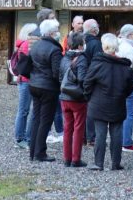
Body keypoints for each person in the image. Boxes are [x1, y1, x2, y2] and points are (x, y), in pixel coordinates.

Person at [83, 33, 133, 171]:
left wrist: (89, 98)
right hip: (117, 103)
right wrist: (121, 95)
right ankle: (115, 163)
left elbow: (87, 83)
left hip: (98, 104)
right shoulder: (125, 67)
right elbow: (130, 87)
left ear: (103, 46)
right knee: (116, 133)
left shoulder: (97, 64)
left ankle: (99, 163)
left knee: (100, 134)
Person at [28, 18, 63, 162]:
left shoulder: (35, 45)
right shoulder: (54, 49)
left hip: (34, 84)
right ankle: (40, 152)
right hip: (48, 87)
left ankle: (33, 150)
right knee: (45, 120)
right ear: (51, 33)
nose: (58, 34)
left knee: (36, 118)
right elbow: (57, 73)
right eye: (56, 31)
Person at [59, 31, 89, 167]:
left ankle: (66, 158)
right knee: (78, 128)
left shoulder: (64, 58)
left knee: (67, 128)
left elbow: (60, 77)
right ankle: (75, 159)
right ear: (81, 45)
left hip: (64, 97)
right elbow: (82, 78)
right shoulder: (81, 59)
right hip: (77, 98)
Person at [117, 23, 133, 153]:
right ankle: (126, 142)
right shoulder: (130, 49)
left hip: (117, 85)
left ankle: (119, 140)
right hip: (130, 85)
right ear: (128, 35)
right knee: (129, 114)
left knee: (120, 113)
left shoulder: (117, 45)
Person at [13, 22, 38, 149]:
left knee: (25, 110)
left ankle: (25, 138)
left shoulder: (22, 44)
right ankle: (21, 138)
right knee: (24, 110)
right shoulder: (27, 46)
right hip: (27, 81)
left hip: (25, 81)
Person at [83, 18, 102, 146]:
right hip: (93, 79)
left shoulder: (82, 41)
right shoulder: (96, 44)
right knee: (92, 108)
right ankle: (91, 137)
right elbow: (97, 63)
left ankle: (84, 136)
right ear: (95, 30)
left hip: (83, 77)